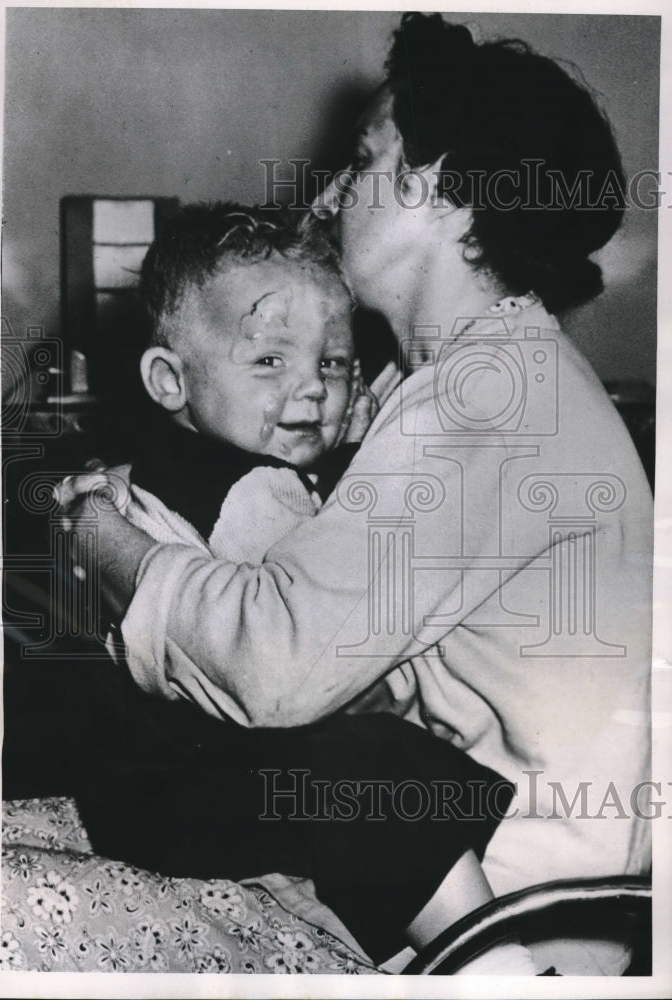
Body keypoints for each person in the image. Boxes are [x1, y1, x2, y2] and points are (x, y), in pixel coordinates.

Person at [62, 13, 652, 974]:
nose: (333, 189)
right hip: (475, 855)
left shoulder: (487, 402)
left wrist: (100, 537)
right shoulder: (488, 378)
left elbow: (278, 664)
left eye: (364, 157)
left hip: (503, 905)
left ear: (441, 191)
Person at [56, 200, 539, 972]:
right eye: (270, 362)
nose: (313, 389)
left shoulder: (141, 477)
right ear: (169, 380)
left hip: (143, 793)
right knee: (380, 766)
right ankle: (488, 962)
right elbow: (311, 657)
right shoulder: (258, 492)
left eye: (334, 363)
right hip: (194, 791)